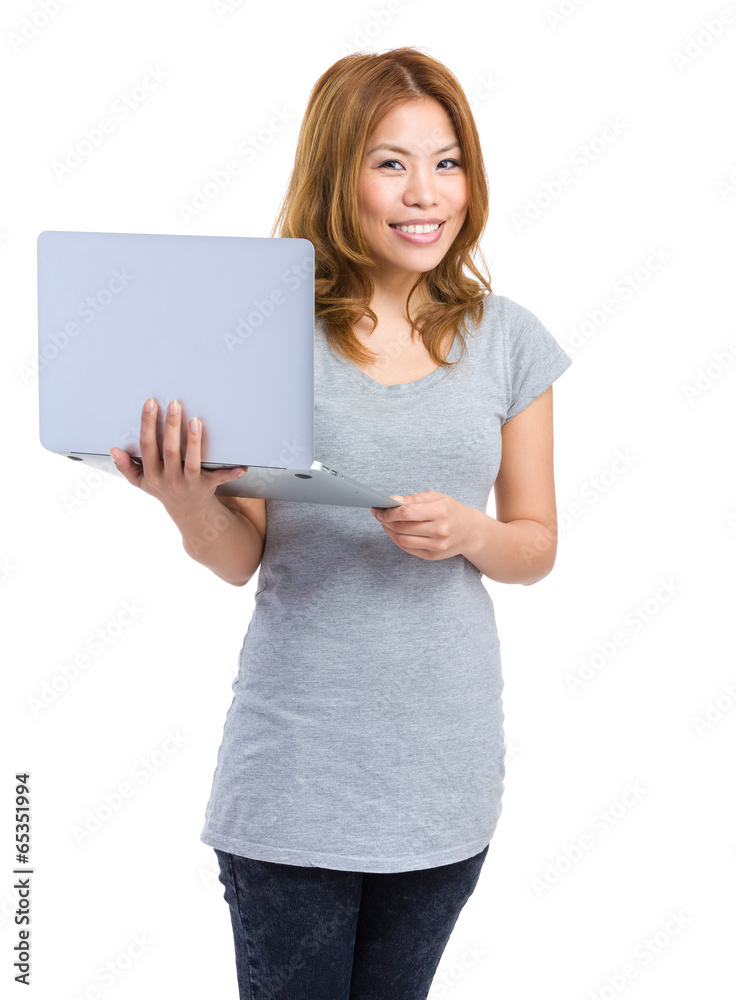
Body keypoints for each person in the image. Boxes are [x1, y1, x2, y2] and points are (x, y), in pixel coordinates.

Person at [110, 45, 573, 1000]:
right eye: (390, 162)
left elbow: (536, 544)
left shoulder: (509, 340)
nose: (426, 192)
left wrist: (471, 535)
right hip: (295, 774)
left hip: (445, 775)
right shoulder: (265, 334)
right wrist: (188, 500)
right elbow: (241, 557)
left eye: (447, 162)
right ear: (338, 175)